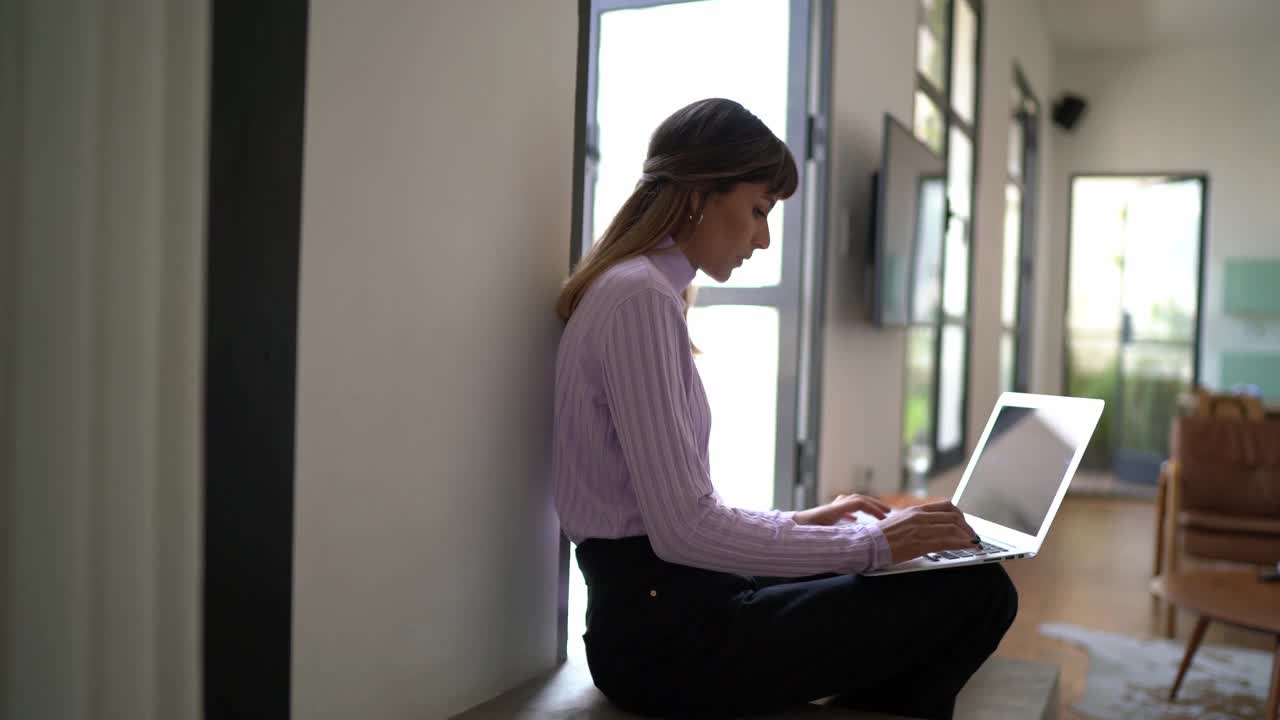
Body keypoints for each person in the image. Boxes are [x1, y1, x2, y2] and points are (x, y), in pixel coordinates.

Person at [552, 98, 1016, 719]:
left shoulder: (644, 291)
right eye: (758, 211)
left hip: (675, 600)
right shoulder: (639, 299)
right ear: (699, 193)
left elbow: (678, 517)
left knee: (929, 576)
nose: (764, 238)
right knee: (977, 593)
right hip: (665, 641)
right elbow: (683, 529)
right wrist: (872, 544)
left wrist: (809, 521)